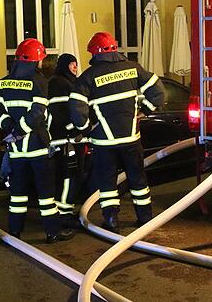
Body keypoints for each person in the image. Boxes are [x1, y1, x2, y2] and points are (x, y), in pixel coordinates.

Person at [69, 32, 165, 233]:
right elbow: (158, 92)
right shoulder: (133, 68)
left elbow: (77, 109)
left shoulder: (88, 77)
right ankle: (145, 218)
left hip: (104, 142)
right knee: (137, 179)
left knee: (107, 182)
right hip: (131, 139)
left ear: (95, 53)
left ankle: (111, 220)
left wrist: (86, 128)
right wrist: (144, 110)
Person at [0, 38, 75, 243]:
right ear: (36, 61)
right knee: (46, 194)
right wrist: (21, 130)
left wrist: (9, 127)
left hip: (16, 150)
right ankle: (52, 232)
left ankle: (15, 231)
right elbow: (37, 113)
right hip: (38, 149)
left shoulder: (2, 83)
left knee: (17, 194)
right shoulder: (39, 82)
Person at [47, 53, 87, 228]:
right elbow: (62, 113)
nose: (75, 67)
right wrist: (75, 131)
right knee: (68, 176)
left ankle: (64, 210)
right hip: (66, 140)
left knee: (69, 176)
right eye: (72, 64)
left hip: (67, 140)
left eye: (76, 64)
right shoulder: (59, 84)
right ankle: (63, 214)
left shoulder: (64, 82)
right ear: (64, 65)